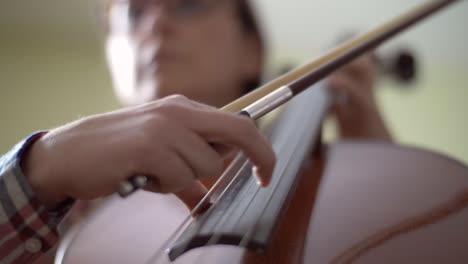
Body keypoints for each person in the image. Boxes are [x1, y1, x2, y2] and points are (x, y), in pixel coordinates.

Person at [0, 0, 392, 262]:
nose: (156, 23)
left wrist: (381, 186)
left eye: (188, 3)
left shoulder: (331, 182)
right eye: (133, 14)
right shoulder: (68, 210)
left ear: (251, 50)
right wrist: (38, 168)